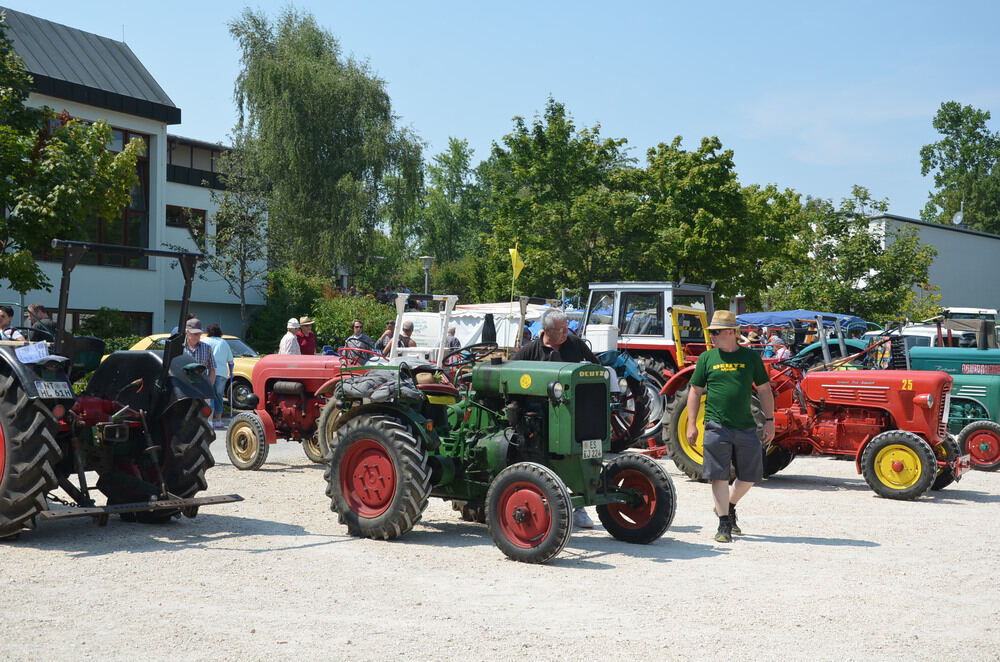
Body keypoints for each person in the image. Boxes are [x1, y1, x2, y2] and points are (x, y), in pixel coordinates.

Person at [686, 310, 775, 544]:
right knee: (719, 475)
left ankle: (728, 506)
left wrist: (770, 420)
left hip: (745, 425)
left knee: (750, 476)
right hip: (716, 425)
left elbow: (765, 389)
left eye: (715, 333)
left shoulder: (751, 358)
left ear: (730, 333)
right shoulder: (707, 358)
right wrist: (691, 425)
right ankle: (724, 523)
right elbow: (695, 391)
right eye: (710, 333)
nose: (711, 337)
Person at [512, 308, 598, 529]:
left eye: (567, 327)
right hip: (540, 417)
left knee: (577, 456)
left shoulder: (576, 344)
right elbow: (512, 374)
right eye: (562, 329)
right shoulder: (530, 350)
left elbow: (594, 365)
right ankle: (547, 506)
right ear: (547, 330)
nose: (566, 332)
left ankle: (579, 507)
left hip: (573, 413)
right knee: (544, 459)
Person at [202, 323, 234, 429]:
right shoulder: (224, 343)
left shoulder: (205, 341)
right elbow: (231, 361)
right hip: (222, 372)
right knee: (219, 396)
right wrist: (231, 372)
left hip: (208, 371)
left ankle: (209, 420)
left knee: (209, 396)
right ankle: (219, 421)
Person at [182, 318, 216, 390]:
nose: (197, 337)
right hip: (183, 389)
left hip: (201, 389)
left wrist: (208, 387)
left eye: (199, 334)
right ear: (186, 332)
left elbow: (212, 369)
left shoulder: (207, 348)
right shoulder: (179, 347)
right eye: (194, 334)